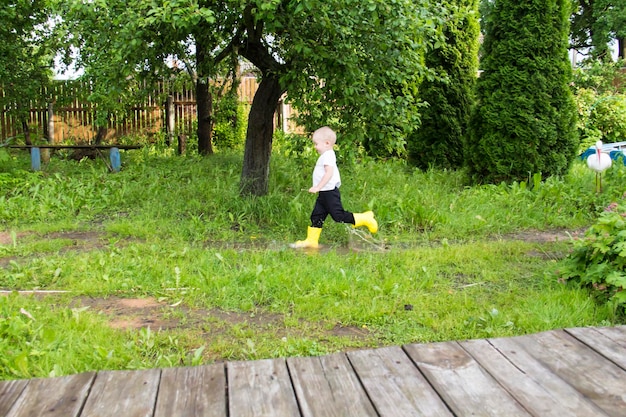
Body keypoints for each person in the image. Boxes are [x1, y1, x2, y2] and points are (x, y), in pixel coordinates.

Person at [291, 126, 378, 248]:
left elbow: (329, 173)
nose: (315, 147)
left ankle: (365, 218)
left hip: (330, 193)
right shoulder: (327, 155)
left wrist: (317, 187)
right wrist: (319, 188)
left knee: (338, 216)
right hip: (324, 193)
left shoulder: (328, 156)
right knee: (317, 216)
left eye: (316, 144)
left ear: (327, 143)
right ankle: (311, 240)